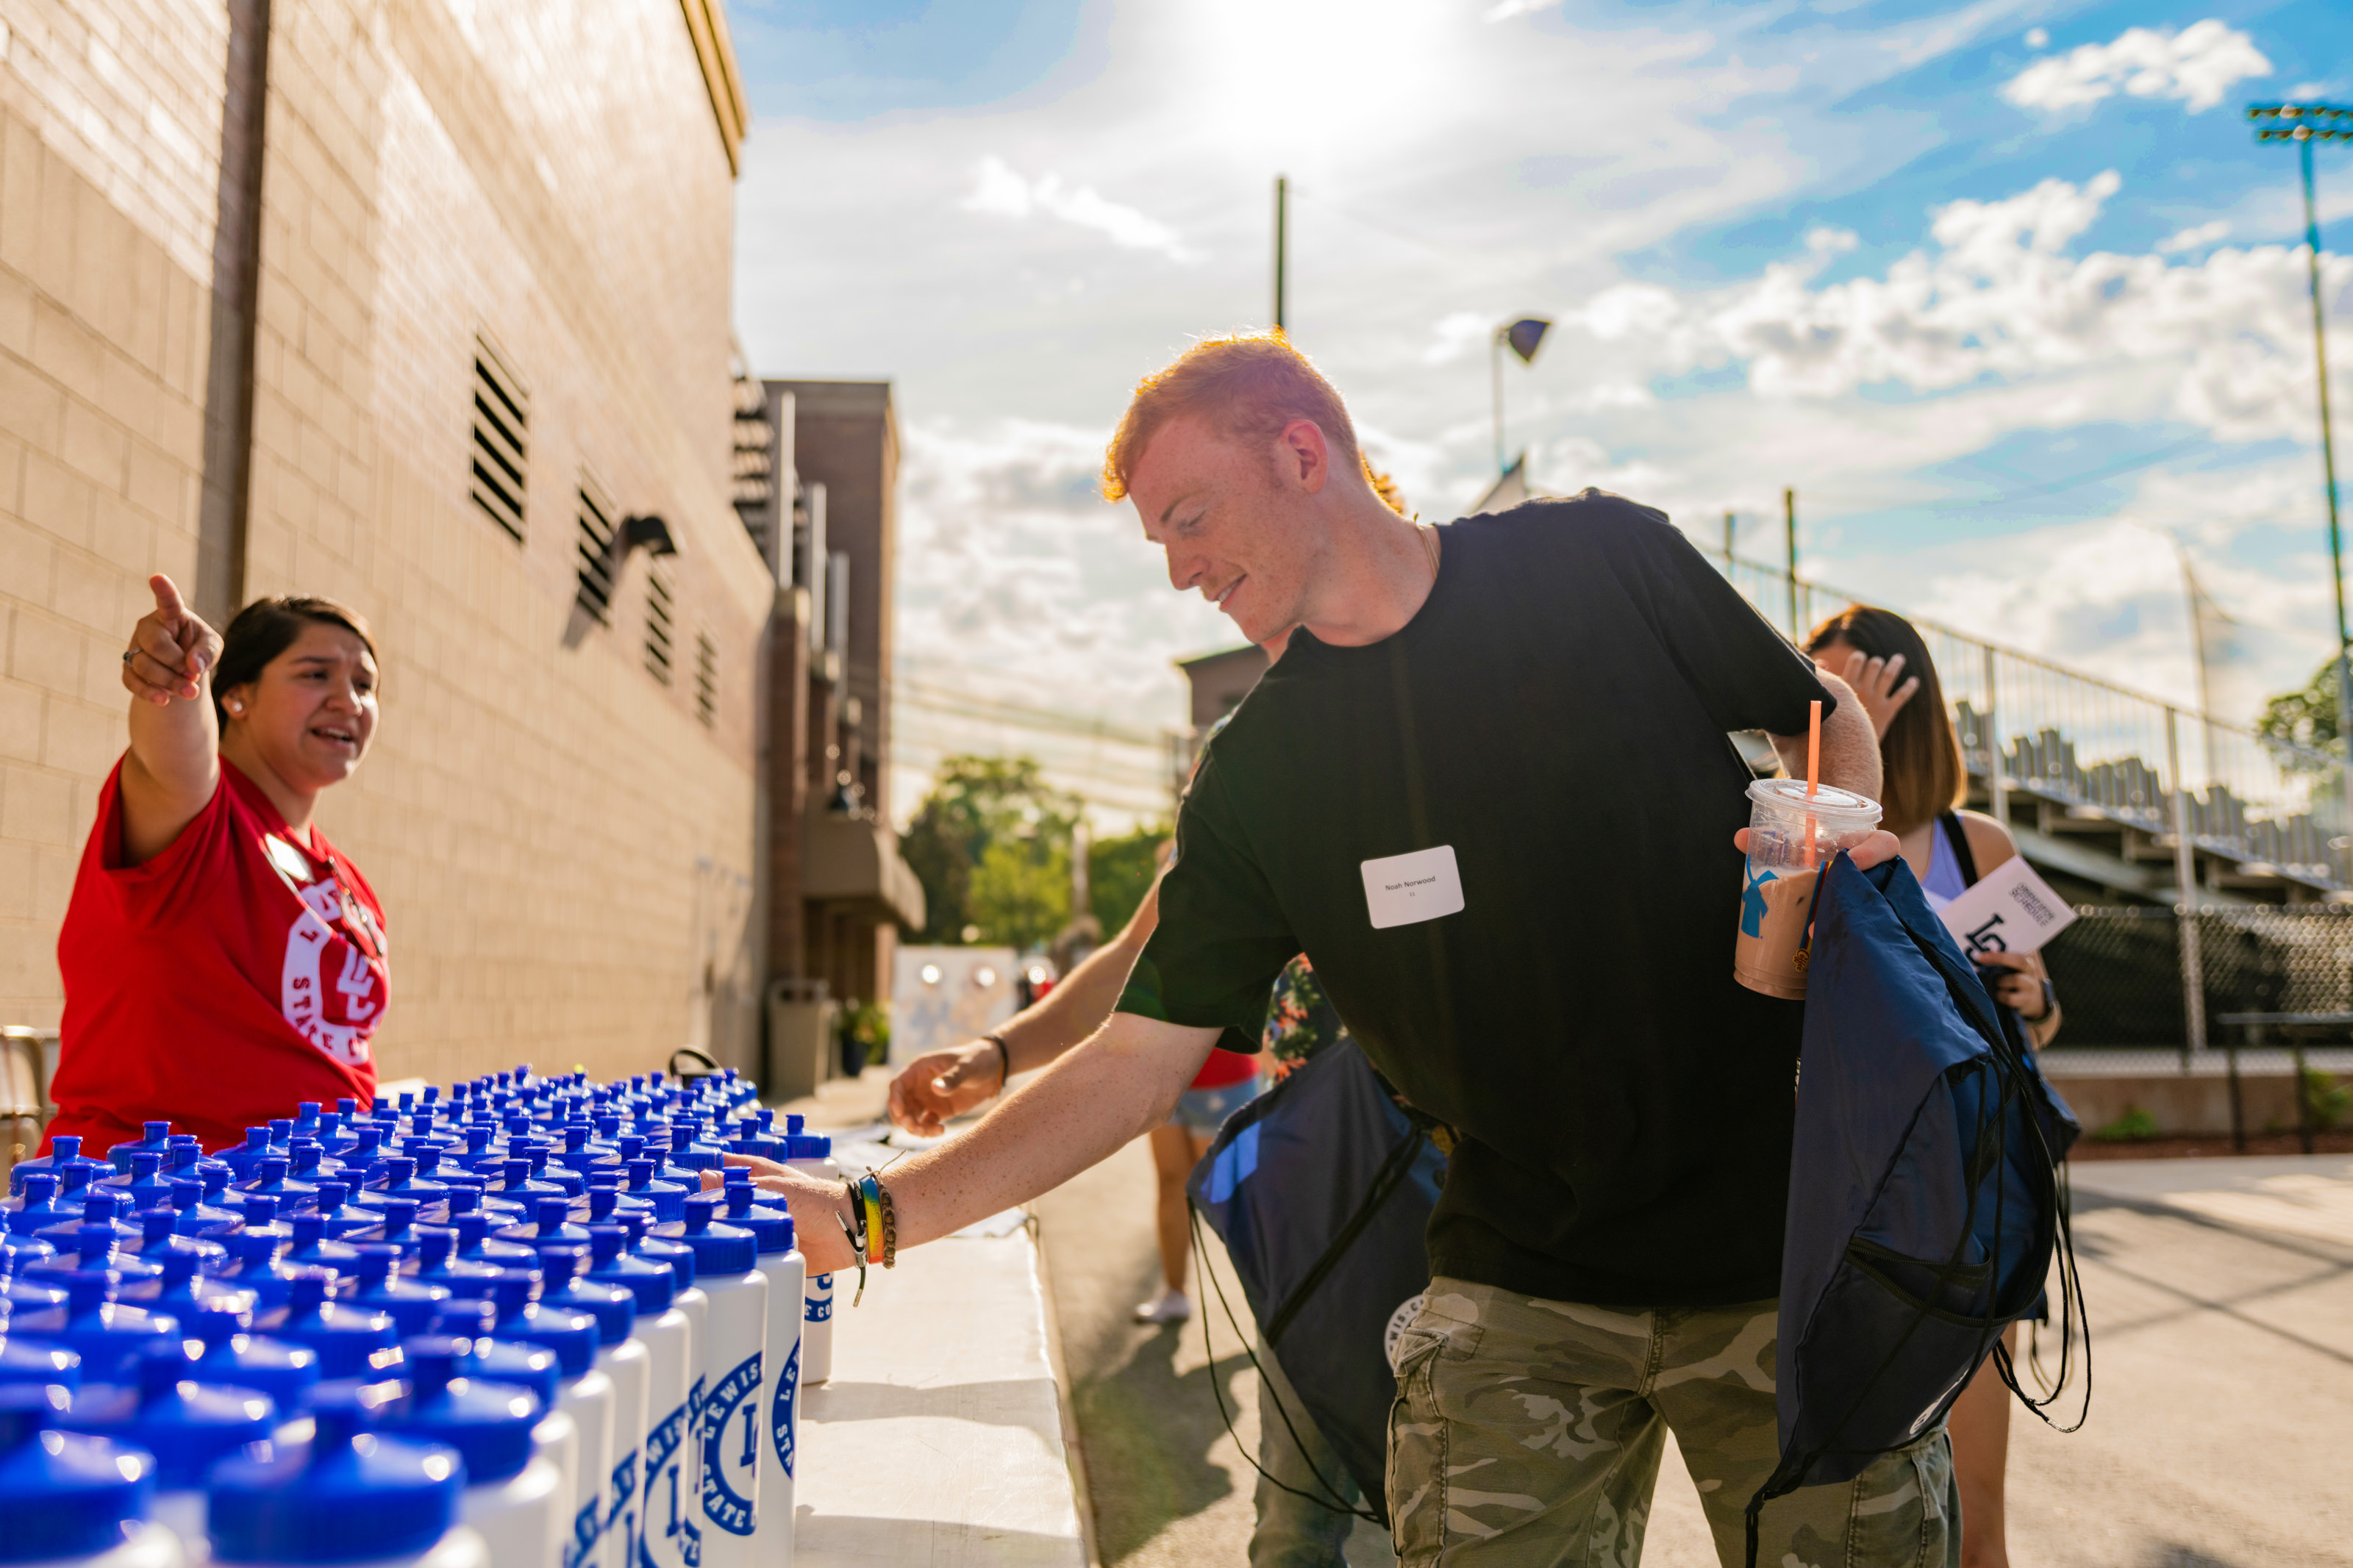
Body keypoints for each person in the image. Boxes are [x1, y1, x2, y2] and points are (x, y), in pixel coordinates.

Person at [727, 333, 1923, 1565]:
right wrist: (874, 1212)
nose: (1184, 571)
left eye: (1191, 518)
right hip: (1521, 1276)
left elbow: (1821, 717)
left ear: (1303, 452)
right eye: (1163, 544)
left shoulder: (1596, 557)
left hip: (1796, 1241)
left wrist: (1833, 852)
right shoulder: (1258, 774)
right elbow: (1137, 1057)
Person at [1806, 604, 2061, 1568]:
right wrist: (1832, 772)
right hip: (1843, 1191)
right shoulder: (1801, 826)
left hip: (1966, 1186)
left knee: (1975, 1523)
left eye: (1846, 688)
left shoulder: (1975, 843)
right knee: (1849, 1514)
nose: (1829, 704)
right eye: (1819, 689)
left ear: (1909, 701)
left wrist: (2031, 1001)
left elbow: (2041, 1018)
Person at [43, 576, 389, 1155]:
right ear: (237, 696)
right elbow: (175, 756)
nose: (348, 700)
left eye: (364, 684)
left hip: (308, 1207)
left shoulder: (347, 877)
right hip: (151, 1212)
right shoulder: (201, 817)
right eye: (315, 674)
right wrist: (180, 679)